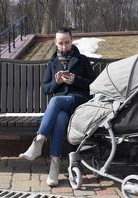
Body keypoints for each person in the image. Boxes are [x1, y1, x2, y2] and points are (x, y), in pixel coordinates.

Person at [19, 27, 96, 186]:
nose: (63, 46)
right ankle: (54, 166)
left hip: (78, 101)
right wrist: (57, 82)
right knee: (60, 118)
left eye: (67, 43)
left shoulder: (82, 60)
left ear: (71, 41)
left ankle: (39, 140)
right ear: (55, 43)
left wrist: (75, 80)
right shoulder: (52, 63)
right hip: (61, 108)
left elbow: (93, 85)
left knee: (55, 101)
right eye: (60, 43)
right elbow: (46, 88)